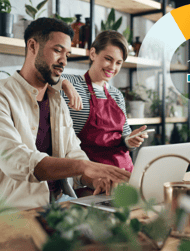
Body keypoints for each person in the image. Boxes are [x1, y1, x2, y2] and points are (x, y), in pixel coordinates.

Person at [0, 18, 130, 220]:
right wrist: (85, 166)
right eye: (58, 50)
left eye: (67, 54)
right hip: (9, 217)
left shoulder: (57, 101)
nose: (64, 61)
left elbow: (73, 152)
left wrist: (95, 179)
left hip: (57, 211)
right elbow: (15, 160)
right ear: (33, 46)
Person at [54, 30, 148, 173]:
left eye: (118, 63)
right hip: (90, 174)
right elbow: (41, 78)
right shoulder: (71, 83)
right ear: (93, 54)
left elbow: (124, 137)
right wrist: (64, 84)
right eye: (108, 59)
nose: (112, 67)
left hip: (124, 172)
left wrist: (131, 140)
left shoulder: (116, 95)